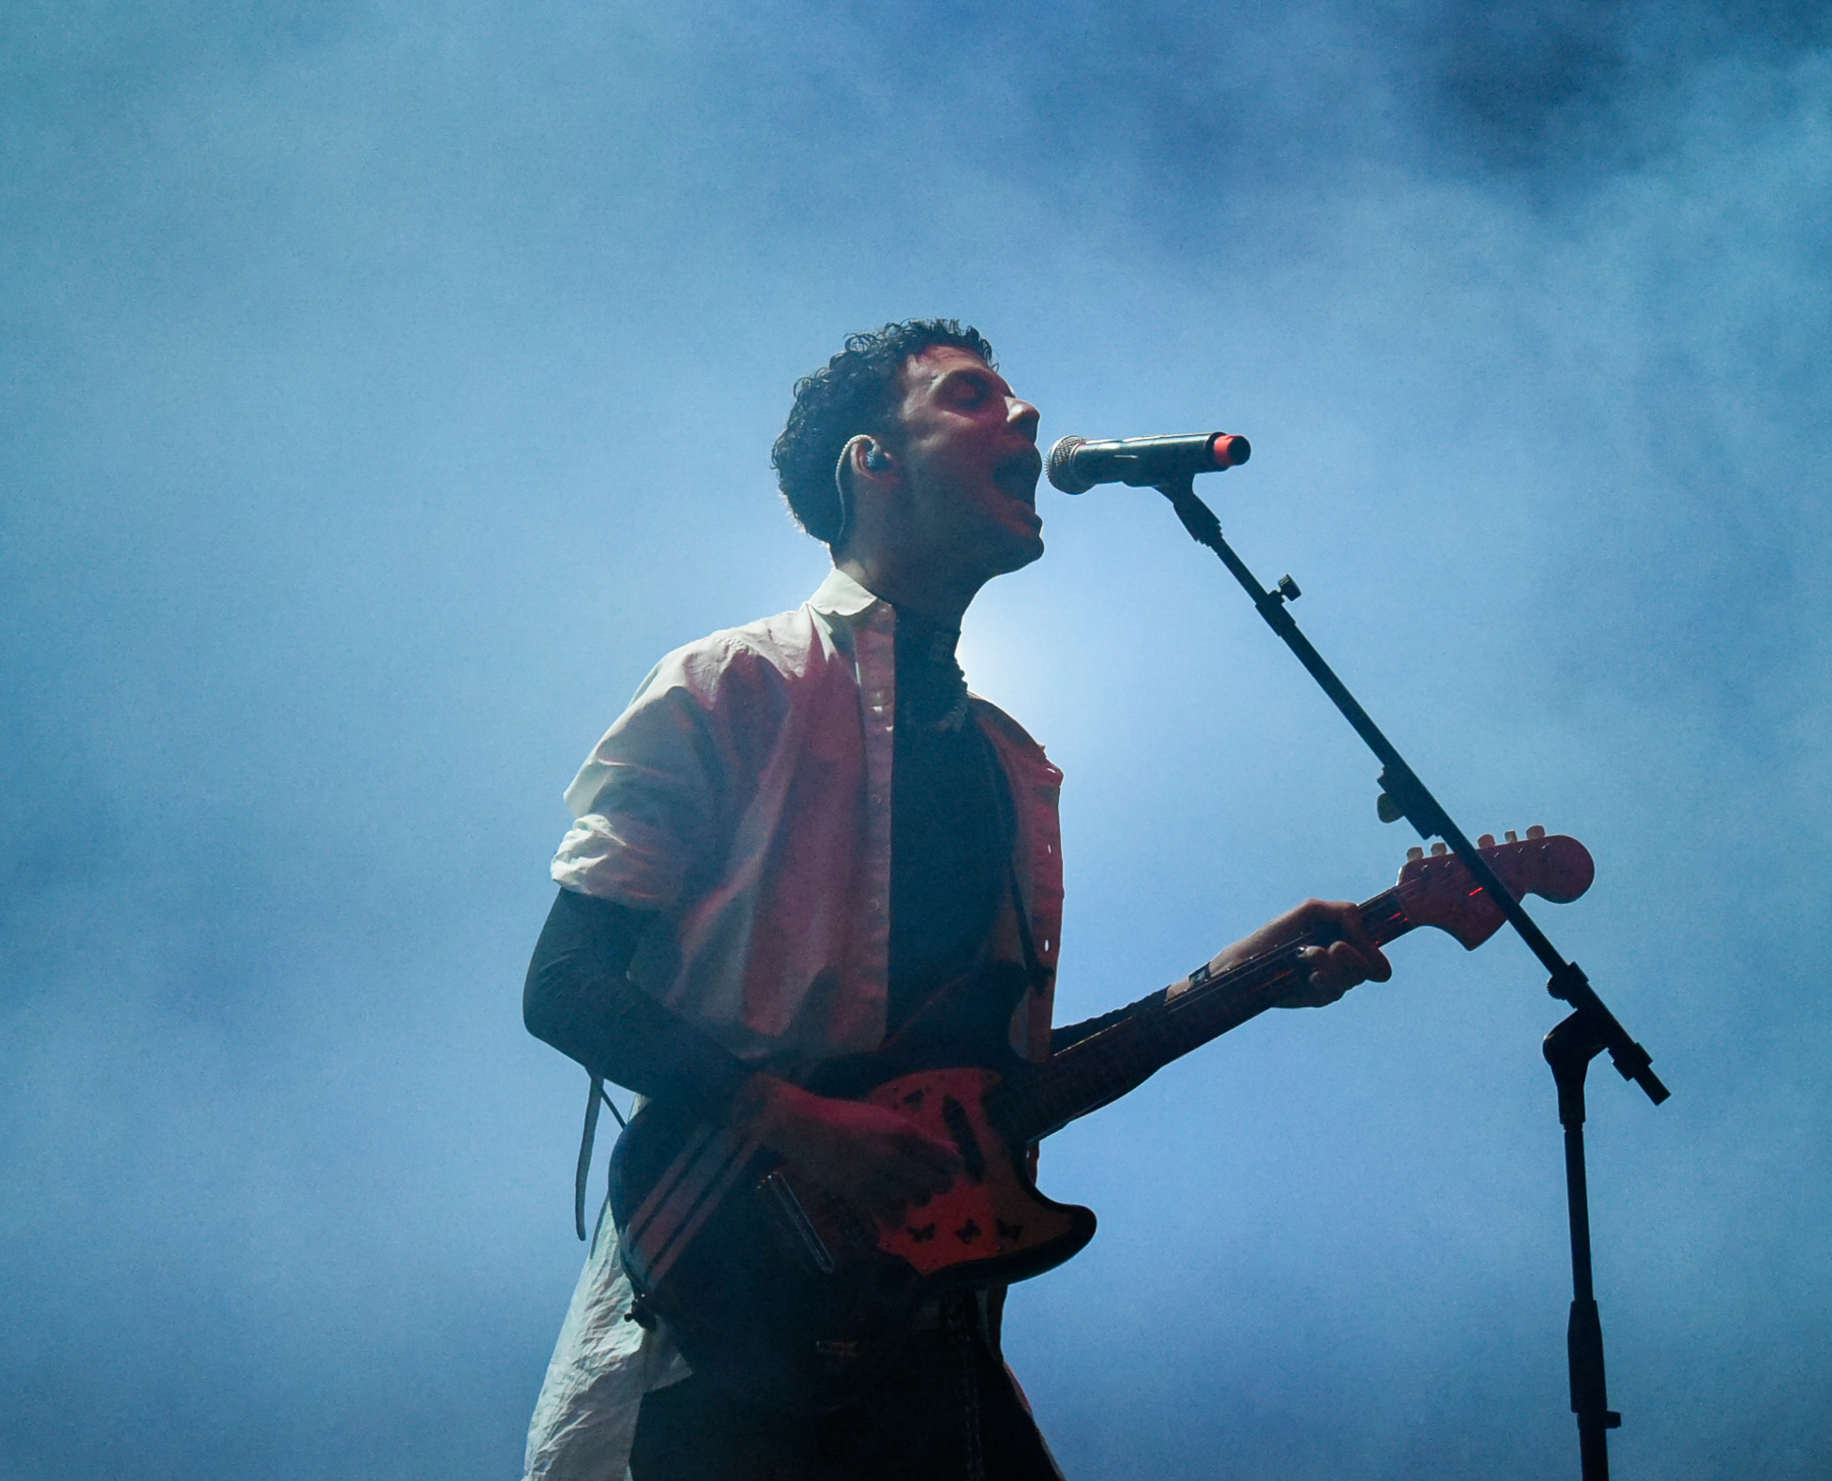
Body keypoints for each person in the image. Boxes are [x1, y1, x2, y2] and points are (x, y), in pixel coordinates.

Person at [519, 320, 1390, 1481]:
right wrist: (794, 1118)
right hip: (724, 1322)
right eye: (973, 396)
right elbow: (564, 985)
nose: (1025, 417)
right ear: (871, 464)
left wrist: (1246, 977)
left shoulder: (1006, 761)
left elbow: (987, 1094)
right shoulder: (733, 685)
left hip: (926, 1341)